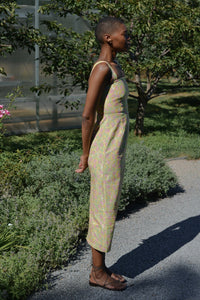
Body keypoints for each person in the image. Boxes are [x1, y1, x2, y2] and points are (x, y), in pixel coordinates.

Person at [76, 16, 130, 291]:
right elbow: (87, 116)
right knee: (103, 208)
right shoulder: (101, 69)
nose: (128, 38)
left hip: (113, 148)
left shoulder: (115, 66)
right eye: (124, 34)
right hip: (104, 149)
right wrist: (85, 155)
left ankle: (101, 267)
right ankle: (97, 272)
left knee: (107, 206)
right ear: (108, 37)